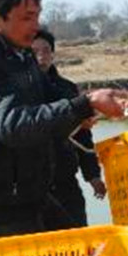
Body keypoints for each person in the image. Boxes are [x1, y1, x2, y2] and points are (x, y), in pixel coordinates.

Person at [0, 0, 127, 239]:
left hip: (32, 192)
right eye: (26, 17)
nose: (35, 25)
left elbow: (45, 99)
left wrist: (81, 113)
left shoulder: (18, 50)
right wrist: (82, 106)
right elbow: (11, 125)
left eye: (37, 15)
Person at [32, 29, 107, 230]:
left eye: (46, 51)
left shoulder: (68, 89)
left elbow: (83, 136)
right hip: (33, 185)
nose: (41, 57)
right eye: (34, 51)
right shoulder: (20, 92)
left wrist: (93, 176)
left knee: (79, 239)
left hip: (65, 179)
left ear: (53, 54)